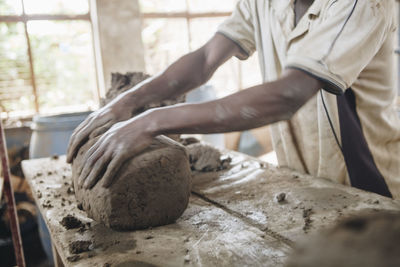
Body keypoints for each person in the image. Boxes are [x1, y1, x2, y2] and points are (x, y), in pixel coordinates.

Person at [67, 0, 400, 199]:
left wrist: (151, 122)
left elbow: (289, 94)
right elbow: (205, 59)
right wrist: (127, 101)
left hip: (371, 187)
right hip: (307, 182)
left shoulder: (361, 5)